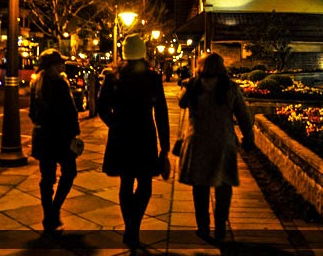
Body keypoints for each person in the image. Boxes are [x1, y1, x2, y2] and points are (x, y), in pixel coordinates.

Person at [97, 34, 170, 248]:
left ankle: (130, 225)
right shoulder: (152, 78)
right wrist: (164, 145)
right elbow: (161, 112)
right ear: (143, 53)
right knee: (145, 184)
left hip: (121, 135)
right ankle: (133, 226)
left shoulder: (113, 77)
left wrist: (114, 123)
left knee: (126, 182)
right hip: (144, 135)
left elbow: (102, 107)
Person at [177, 52, 255, 246]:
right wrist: (248, 138)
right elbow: (244, 116)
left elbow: (181, 102)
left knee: (200, 187)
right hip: (223, 141)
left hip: (198, 141)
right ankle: (220, 225)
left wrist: (188, 83)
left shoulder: (194, 86)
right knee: (223, 185)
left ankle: (203, 226)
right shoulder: (229, 87)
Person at [29, 49, 80, 233]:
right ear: (53, 66)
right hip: (61, 137)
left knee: (47, 178)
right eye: (60, 62)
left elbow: (32, 113)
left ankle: (47, 215)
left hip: (43, 136)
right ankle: (54, 210)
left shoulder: (36, 83)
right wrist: (75, 134)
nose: (63, 65)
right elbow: (70, 112)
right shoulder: (60, 83)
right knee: (69, 173)